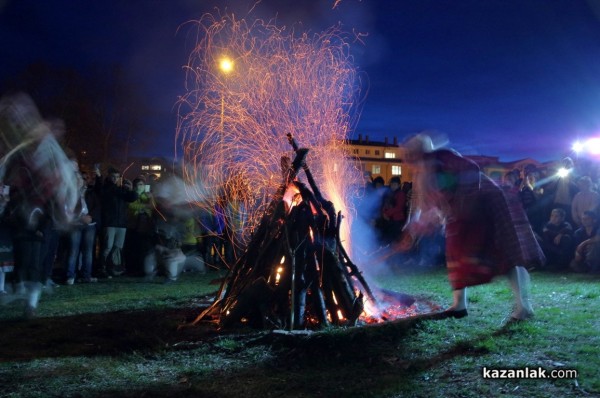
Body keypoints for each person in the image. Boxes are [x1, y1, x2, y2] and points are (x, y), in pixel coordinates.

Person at [402, 133, 544, 321]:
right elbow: (425, 206)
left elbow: (471, 172)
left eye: (411, 154)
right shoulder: (422, 172)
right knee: (454, 252)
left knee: (506, 254)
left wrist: (459, 208)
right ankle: (459, 305)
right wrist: (413, 230)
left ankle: (524, 307)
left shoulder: (442, 159)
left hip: (488, 205)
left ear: (420, 152)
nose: (407, 160)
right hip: (463, 215)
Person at [0, 93, 79, 318]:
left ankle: (31, 302)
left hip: (40, 214)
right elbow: (7, 171)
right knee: (21, 256)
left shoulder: (52, 155)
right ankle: (23, 289)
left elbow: (65, 182)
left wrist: (65, 210)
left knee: (35, 257)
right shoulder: (22, 153)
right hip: (21, 213)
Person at [99, 167, 138, 277]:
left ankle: (113, 267)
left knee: (117, 248)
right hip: (110, 222)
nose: (115, 179)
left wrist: (130, 189)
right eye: (113, 177)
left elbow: (132, 197)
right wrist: (125, 189)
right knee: (108, 246)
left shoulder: (121, 189)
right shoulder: (107, 188)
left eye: (117, 177)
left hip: (121, 223)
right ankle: (102, 268)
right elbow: (109, 192)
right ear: (109, 176)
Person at [380, 176, 408, 243]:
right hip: (389, 219)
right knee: (388, 238)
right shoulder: (391, 193)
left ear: (398, 185)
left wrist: (387, 213)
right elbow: (386, 204)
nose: (393, 186)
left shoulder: (401, 194)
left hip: (397, 220)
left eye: (395, 184)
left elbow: (399, 207)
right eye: (392, 184)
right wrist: (384, 213)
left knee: (395, 239)